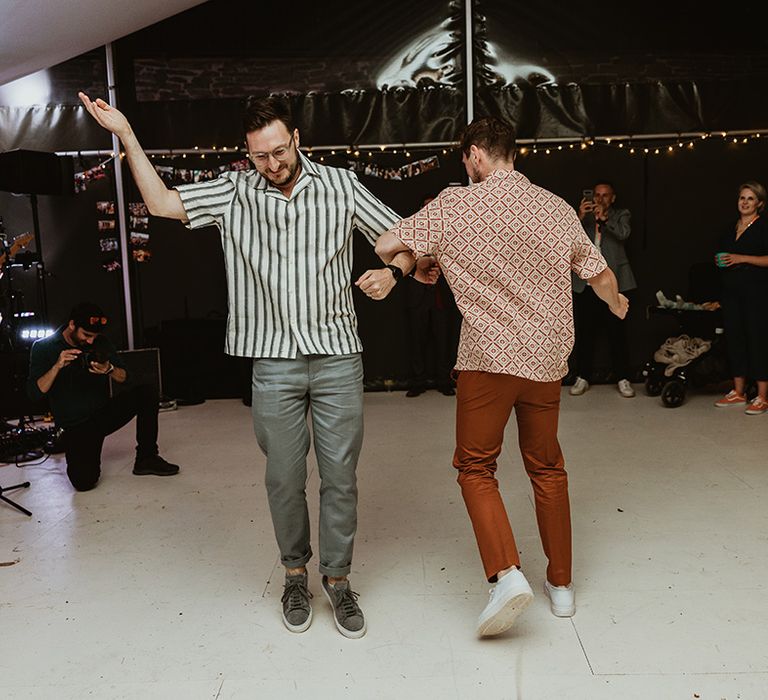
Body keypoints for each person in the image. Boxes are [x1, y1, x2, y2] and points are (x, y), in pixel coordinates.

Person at [78, 91, 429, 639]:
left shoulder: (339, 185)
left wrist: (397, 272)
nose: (272, 164)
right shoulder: (234, 191)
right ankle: (295, 573)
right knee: (284, 479)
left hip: (337, 357)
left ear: (296, 140)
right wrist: (126, 134)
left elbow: (405, 240)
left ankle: (337, 579)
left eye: (279, 151)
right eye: (259, 156)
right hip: (273, 363)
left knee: (340, 478)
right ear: (248, 154)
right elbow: (163, 203)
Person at [372, 116, 627, 637]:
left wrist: (419, 263)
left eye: (465, 159)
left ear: (476, 156)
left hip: (487, 360)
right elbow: (599, 274)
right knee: (547, 467)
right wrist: (617, 301)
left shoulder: (453, 206)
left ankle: (507, 574)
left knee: (475, 467)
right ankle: (561, 587)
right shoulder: (555, 207)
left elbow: (383, 244)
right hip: (545, 363)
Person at [26, 302, 179, 491]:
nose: (90, 341)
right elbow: (34, 393)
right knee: (84, 482)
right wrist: (57, 366)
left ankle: (147, 457)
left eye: (94, 336)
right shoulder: (44, 347)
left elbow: (127, 378)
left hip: (102, 415)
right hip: (76, 426)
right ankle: (81, 449)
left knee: (147, 392)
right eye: (86, 335)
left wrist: (110, 369)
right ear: (72, 325)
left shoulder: (101, 342)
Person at [569, 181, 636, 398]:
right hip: (587, 284)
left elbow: (624, 234)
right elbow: (568, 239)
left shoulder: (620, 214)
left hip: (615, 284)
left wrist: (604, 219)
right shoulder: (583, 217)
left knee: (617, 334)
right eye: (597, 195)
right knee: (585, 333)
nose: (600, 199)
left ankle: (623, 378)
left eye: (605, 195)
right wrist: (580, 215)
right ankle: (583, 377)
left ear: (612, 198)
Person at [713, 181, 768, 414]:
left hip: (756, 293)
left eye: (750, 199)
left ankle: (763, 397)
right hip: (731, 293)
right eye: (742, 198)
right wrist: (721, 261)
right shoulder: (730, 228)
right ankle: (738, 392)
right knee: (735, 339)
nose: (744, 202)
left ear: (759, 204)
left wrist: (741, 258)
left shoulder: (764, 227)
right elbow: (724, 257)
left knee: (757, 340)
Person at [403, 196, 459, 397]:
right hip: (418, 294)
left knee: (443, 339)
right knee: (417, 340)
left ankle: (444, 380)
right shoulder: (411, 233)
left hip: (441, 296)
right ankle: (418, 381)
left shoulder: (450, 234)